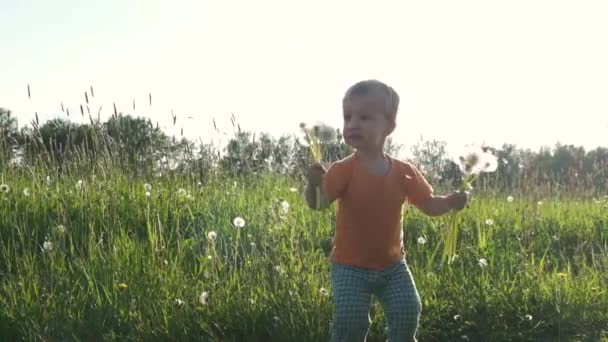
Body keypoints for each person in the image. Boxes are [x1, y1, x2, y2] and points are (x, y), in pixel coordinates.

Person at [305, 79, 468, 341]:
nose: (353, 123)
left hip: (393, 266)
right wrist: (312, 185)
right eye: (348, 117)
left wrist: (449, 202)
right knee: (350, 321)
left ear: (389, 126)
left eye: (365, 117)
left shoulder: (404, 173)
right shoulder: (343, 169)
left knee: (408, 312)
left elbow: (428, 204)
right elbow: (318, 204)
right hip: (349, 266)